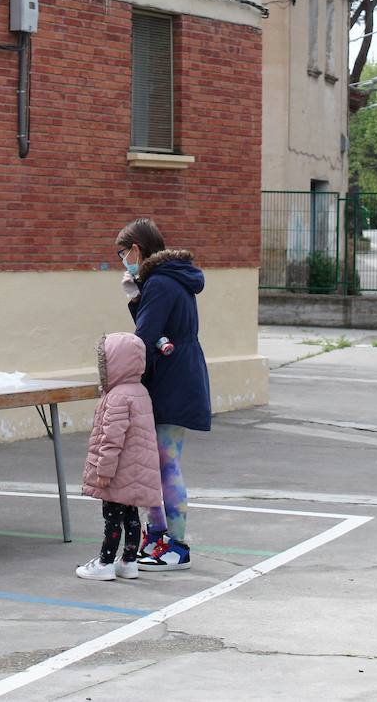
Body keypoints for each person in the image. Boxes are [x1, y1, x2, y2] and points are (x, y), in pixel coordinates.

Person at [115, 217, 211, 571]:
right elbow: (157, 331)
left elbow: (144, 337)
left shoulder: (158, 283)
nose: (123, 260)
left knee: (164, 464)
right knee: (156, 464)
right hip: (180, 376)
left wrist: (136, 298)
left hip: (171, 381)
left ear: (138, 249)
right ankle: (157, 538)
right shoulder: (174, 278)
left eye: (123, 253)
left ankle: (176, 545)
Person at [75, 332, 162, 581]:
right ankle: (129, 561)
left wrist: (103, 471)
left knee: (112, 519)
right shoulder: (140, 391)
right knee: (132, 517)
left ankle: (104, 562)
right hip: (137, 472)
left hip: (117, 472)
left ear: (114, 364)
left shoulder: (116, 397)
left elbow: (112, 439)